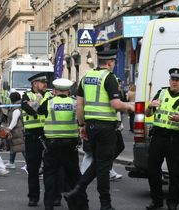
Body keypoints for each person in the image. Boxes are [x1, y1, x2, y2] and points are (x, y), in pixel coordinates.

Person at [64, 50, 134, 210]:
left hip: (91, 126)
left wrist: (81, 125)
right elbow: (116, 104)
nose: (113, 65)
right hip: (106, 128)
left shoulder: (86, 77)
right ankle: (105, 204)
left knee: (99, 161)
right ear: (109, 62)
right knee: (103, 167)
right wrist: (130, 107)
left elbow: (79, 105)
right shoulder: (109, 77)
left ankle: (78, 189)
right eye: (114, 63)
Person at [144, 68, 179, 210]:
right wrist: (150, 106)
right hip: (158, 137)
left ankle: (172, 203)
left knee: (175, 173)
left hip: (175, 139)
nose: (174, 82)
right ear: (169, 81)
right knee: (153, 170)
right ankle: (156, 201)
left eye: (178, 80)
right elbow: (147, 113)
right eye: (173, 79)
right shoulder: (161, 92)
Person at [37, 78, 82, 210]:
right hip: (70, 145)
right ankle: (74, 205)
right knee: (72, 176)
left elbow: (39, 112)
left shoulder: (49, 102)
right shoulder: (74, 103)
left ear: (55, 91)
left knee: (50, 176)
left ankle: (49, 205)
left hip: (52, 145)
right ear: (68, 91)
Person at [21, 72, 52, 206]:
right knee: (33, 169)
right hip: (32, 136)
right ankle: (33, 197)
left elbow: (44, 111)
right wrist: (38, 101)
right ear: (34, 84)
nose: (45, 84)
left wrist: (37, 104)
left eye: (46, 82)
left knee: (51, 169)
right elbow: (30, 110)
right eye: (42, 82)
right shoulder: (26, 96)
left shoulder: (51, 96)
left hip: (49, 135)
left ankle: (53, 197)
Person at [4, 92, 26, 169]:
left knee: (22, 147)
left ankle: (27, 163)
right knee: (13, 145)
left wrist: (9, 128)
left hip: (17, 130)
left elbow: (14, 120)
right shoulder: (17, 106)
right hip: (16, 130)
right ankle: (11, 162)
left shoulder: (16, 108)